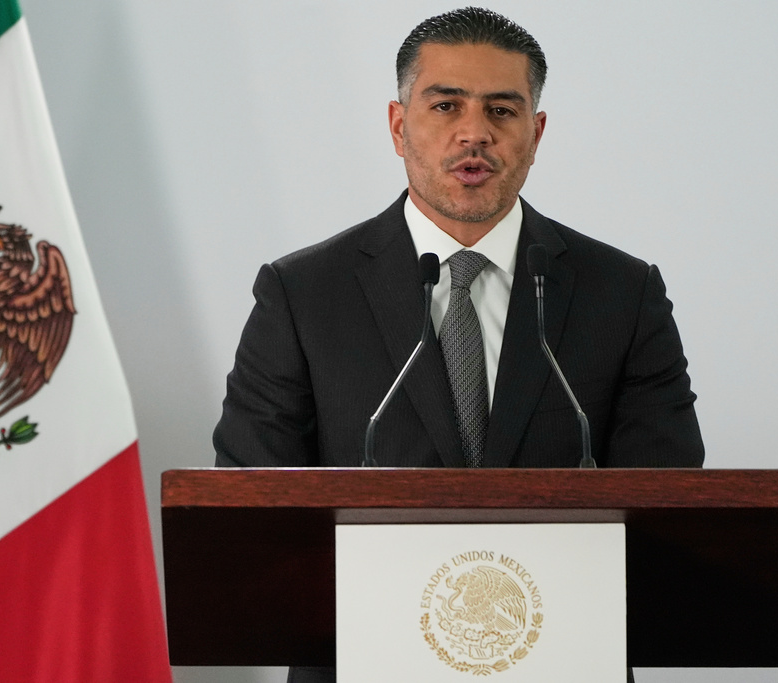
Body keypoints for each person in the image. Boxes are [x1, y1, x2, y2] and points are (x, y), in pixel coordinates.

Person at [213, 7, 703, 682]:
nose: (475, 133)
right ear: (397, 124)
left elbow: (668, 510)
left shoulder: (622, 293)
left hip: (564, 663)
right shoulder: (302, 295)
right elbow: (251, 515)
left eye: (503, 111)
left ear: (535, 134)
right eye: (446, 105)